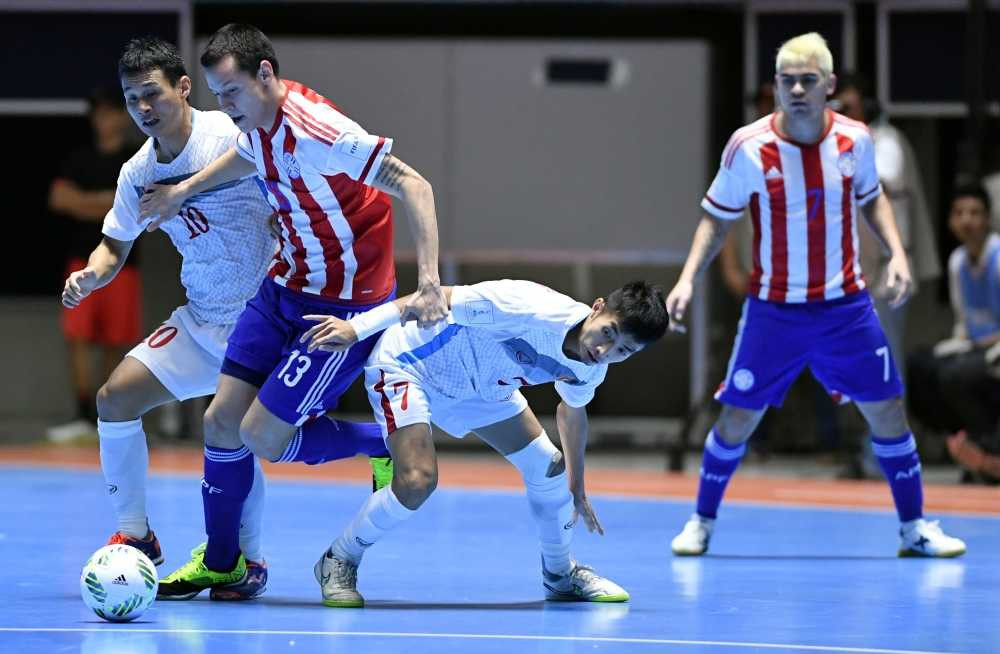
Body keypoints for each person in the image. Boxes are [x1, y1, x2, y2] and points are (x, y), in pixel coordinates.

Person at [62, 37, 391, 602]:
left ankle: (250, 558)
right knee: (115, 399)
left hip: (267, 320)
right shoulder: (137, 173)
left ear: (183, 88)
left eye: (152, 95)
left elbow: (300, 186)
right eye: (131, 98)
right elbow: (113, 246)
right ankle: (138, 537)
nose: (143, 108)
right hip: (200, 320)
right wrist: (93, 274)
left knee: (239, 432)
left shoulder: (234, 136)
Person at [139, 24, 449, 599]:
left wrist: (429, 282)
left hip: (340, 306)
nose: (223, 106)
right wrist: (185, 191)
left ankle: (377, 441)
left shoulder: (320, 130)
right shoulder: (255, 122)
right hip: (284, 285)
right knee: (219, 423)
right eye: (215, 94)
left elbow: (416, 185)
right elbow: (243, 157)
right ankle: (225, 562)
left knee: (262, 436)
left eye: (229, 92)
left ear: (264, 75)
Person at [664, 32, 966, 558]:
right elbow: (716, 220)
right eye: (787, 81)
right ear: (776, 87)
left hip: (845, 309)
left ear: (828, 85)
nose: (797, 89)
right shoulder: (748, 146)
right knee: (736, 419)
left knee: (889, 413)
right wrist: (687, 277)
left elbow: (873, 202)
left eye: (808, 80)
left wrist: (896, 252)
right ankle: (701, 522)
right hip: (773, 311)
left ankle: (914, 528)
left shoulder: (856, 140)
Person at [299, 279, 669, 606]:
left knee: (550, 469)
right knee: (416, 482)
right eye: (608, 333)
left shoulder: (591, 367)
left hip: (481, 391)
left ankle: (559, 577)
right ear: (598, 308)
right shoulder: (529, 306)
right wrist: (356, 329)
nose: (605, 351)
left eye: (623, 350)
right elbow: (433, 299)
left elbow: (571, 413)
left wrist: (576, 484)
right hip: (412, 366)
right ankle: (339, 558)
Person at [48, 87, 140, 443]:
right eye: (97, 113)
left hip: (124, 265)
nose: (103, 120)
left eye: (109, 113)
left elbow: (135, 206)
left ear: (121, 116)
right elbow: (59, 199)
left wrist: (85, 202)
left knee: (115, 340)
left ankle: (109, 415)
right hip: (80, 260)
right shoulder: (79, 158)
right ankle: (83, 413)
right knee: (78, 337)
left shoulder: (135, 158)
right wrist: (107, 203)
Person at [907, 185, 1000, 484]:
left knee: (956, 376)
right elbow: (964, 319)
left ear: (988, 218)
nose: (967, 220)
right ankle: (962, 441)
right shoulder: (958, 261)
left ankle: (989, 450)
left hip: (995, 348)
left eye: (974, 213)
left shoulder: (998, 258)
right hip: (976, 346)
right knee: (920, 366)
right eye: (959, 213)